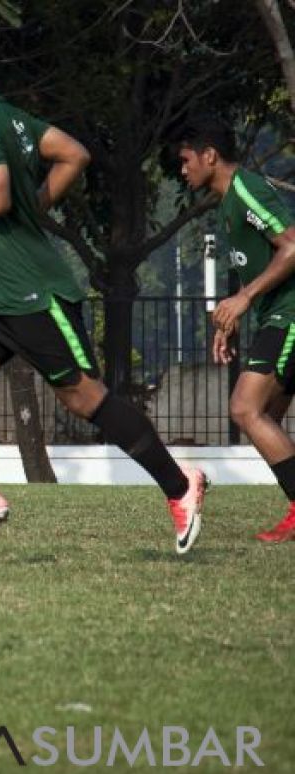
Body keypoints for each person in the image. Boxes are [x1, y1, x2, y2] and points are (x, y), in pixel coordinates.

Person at [0, 19, 207, 557]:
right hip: (0, 295)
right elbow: (75, 153)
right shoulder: (9, 116)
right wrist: (37, 208)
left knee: (83, 397)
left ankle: (179, 485)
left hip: (33, 291)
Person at [179, 115, 295, 543]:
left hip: (290, 313)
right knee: (268, 420)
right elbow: (262, 265)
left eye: (186, 159)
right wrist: (232, 318)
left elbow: (292, 245)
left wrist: (244, 299)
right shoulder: (228, 201)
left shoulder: (246, 189)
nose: (183, 168)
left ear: (210, 155)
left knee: (246, 409)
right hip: (276, 314)